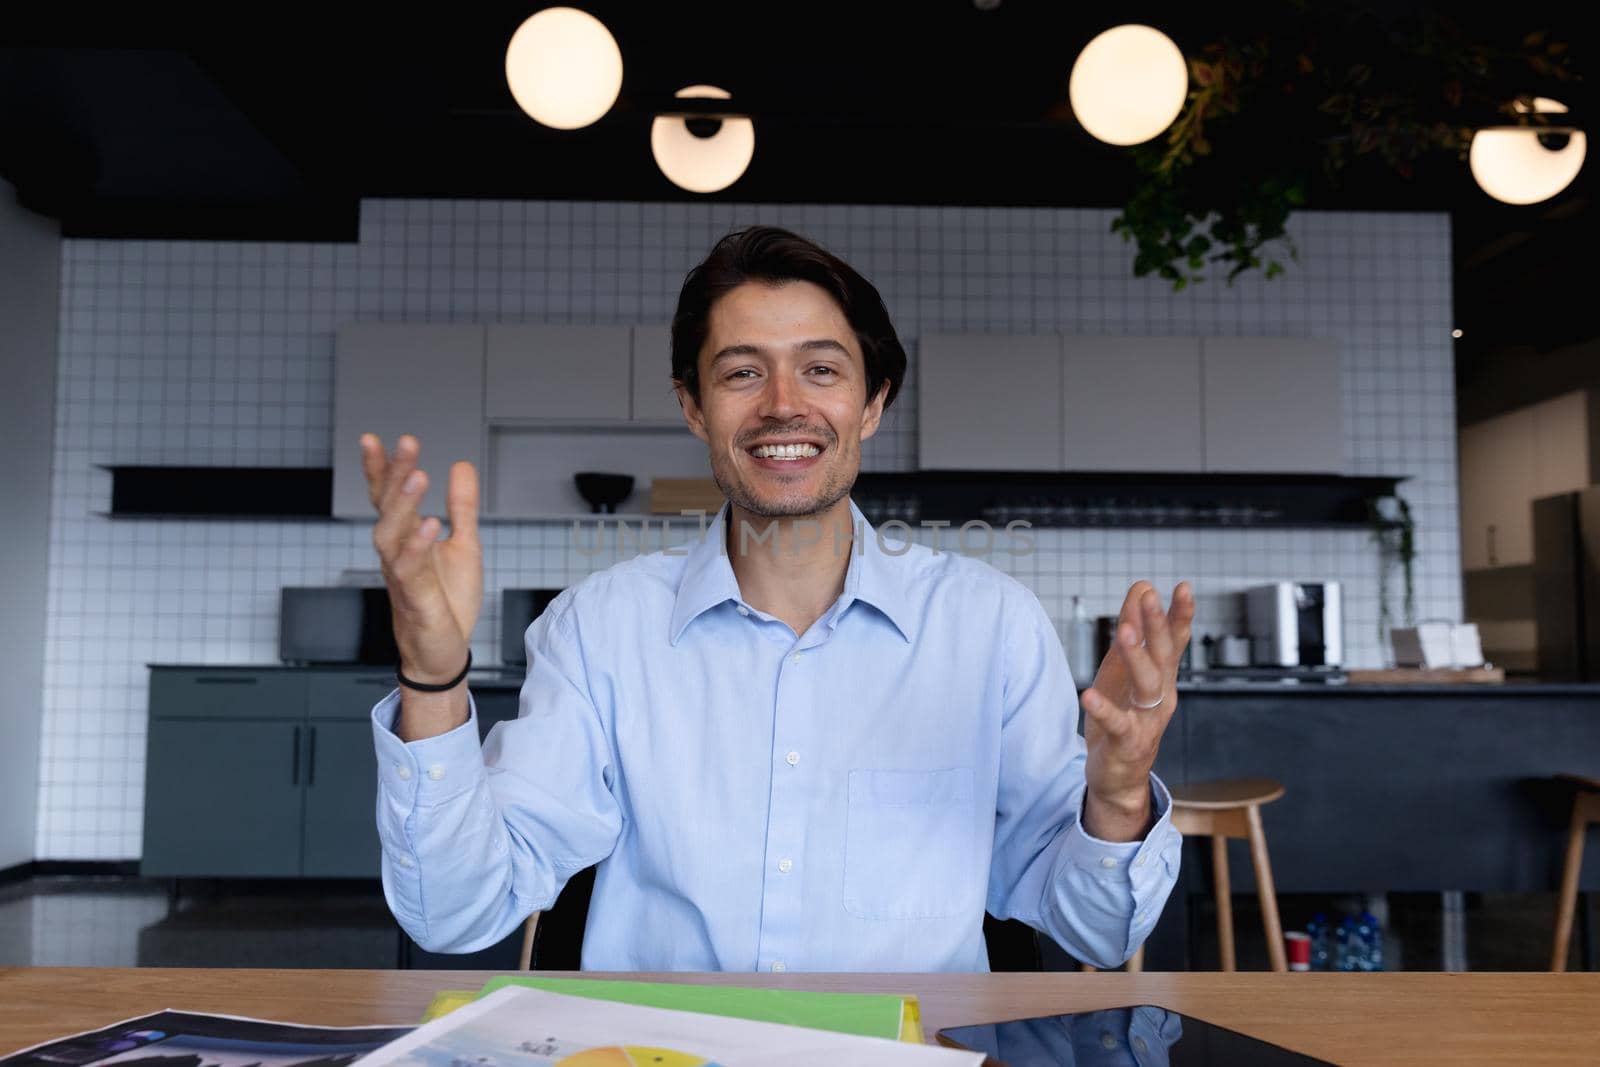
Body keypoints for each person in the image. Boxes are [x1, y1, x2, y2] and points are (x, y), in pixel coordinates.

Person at [361, 225, 1191, 972]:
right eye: (743, 371)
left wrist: (1116, 795)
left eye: (821, 369)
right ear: (693, 405)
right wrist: (434, 679)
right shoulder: (599, 631)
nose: (784, 403)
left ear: (872, 404)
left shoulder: (990, 626)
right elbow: (457, 911)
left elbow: (1094, 931)